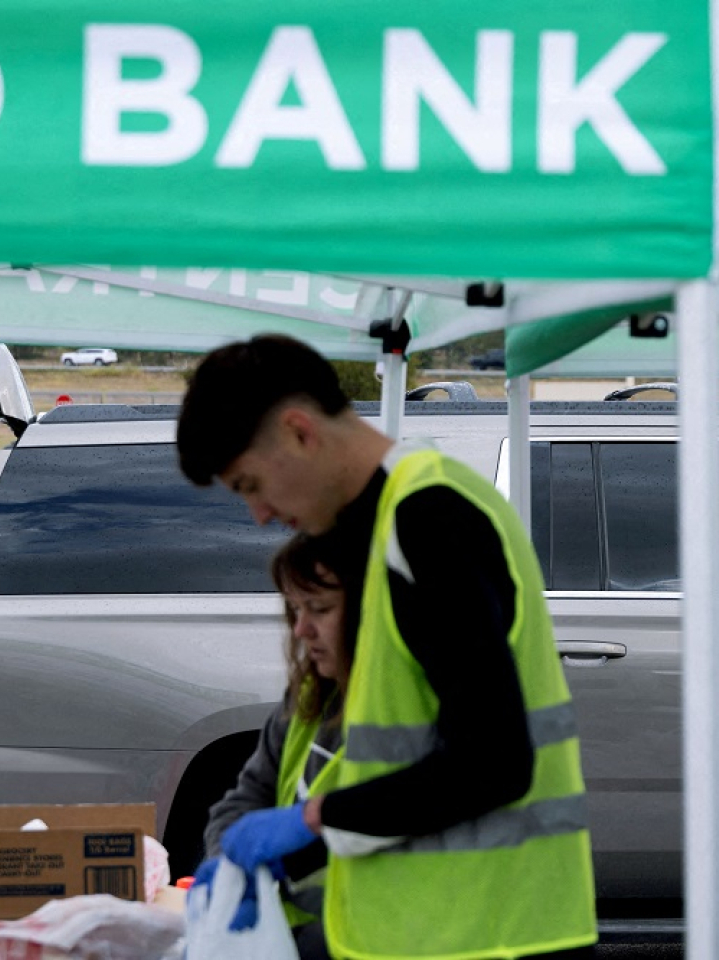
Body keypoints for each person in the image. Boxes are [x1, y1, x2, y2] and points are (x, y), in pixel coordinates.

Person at [176, 335, 597, 960]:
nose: (260, 514)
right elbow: (399, 753)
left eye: (251, 484)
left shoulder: (428, 521)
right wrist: (293, 852)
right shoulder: (378, 529)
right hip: (432, 933)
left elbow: (494, 763)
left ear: (298, 431)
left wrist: (310, 820)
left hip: (489, 936)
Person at [196, 532, 353, 960]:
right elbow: (243, 800)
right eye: (295, 609)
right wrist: (227, 866)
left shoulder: (406, 711)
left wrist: (286, 856)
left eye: (319, 609)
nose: (301, 629)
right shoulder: (308, 698)